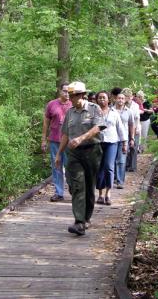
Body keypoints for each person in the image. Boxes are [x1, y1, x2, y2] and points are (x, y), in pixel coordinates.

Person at [55, 81, 106, 236]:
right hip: (73, 153)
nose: (72, 98)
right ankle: (79, 222)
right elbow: (65, 134)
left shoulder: (94, 109)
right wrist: (58, 154)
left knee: (89, 186)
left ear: (82, 95)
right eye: (70, 95)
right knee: (77, 185)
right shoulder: (70, 112)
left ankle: (86, 218)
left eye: (75, 95)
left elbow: (98, 127)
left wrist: (81, 138)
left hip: (92, 151)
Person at [41, 83, 72, 202]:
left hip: (70, 141)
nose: (67, 93)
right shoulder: (51, 104)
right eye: (65, 91)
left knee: (70, 166)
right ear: (60, 91)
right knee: (56, 166)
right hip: (55, 140)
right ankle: (59, 192)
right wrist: (43, 139)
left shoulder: (73, 104)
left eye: (69, 91)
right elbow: (46, 123)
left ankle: (72, 187)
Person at [95, 91, 125, 205]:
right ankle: (100, 194)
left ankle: (108, 193)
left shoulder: (114, 113)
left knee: (109, 166)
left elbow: (120, 128)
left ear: (108, 100)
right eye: (100, 98)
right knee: (99, 168)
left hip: (112, 142)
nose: (102, 100)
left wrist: (125, 142)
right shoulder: (94, 113)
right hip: (98, 143)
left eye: (104, 98)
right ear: (97, 100)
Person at [113, 92, 133, 188]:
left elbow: (131, 125)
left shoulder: (129, 111)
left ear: (125, 100)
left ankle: (120, 181)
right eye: (119, 98)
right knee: (112, 160)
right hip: (112, 138)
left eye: (122, 98)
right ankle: (113, 179)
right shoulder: (111, 110)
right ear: (115, 99)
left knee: (121, 160)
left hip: (123, 139)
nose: (120, 100)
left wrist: (132, 138)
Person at [122, 88, 142, 172]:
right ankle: (126, 165)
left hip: (135, 128)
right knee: (125, 146)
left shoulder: (135, 105)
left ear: (131, 96)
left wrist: (137, 128)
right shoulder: (122, 104)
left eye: (128, 96)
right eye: (125, 96)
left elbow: (137, 118)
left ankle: (132, 166)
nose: (127, 98)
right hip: (125, 128)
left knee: (134, 147)